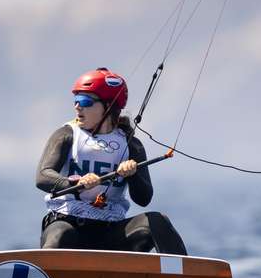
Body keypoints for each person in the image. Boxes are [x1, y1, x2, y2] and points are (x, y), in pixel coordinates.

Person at [35, 67, 187, 254]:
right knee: (60, 235)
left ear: (108, 107)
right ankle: (47, 276)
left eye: (85, 101)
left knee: (157, 221)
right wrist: (77, 182)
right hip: (68, 223)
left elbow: (144, 198)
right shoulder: (66, 135)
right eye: (76, 100)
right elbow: (42, 177)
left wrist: (134, 173)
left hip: (111, 232)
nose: (77, 106)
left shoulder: (131, 145)